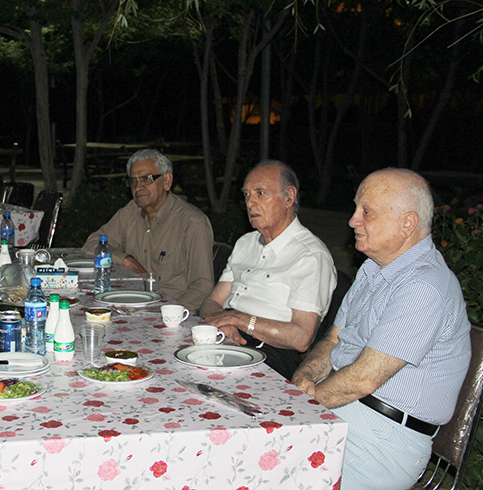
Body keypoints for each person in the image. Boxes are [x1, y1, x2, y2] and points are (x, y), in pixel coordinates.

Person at [292, 168, 471, 490]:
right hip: (345, 410)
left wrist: (300, 404)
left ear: (407, 224)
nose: (352, 221)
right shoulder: (372, 271)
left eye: (367, 212)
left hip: (384, 441)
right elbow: (334, 339)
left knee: (263, 463)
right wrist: (304, 377)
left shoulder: (424, 287)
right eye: (356, 208)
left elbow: (363, 378)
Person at [200, 161, 336, 379]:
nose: (250, 203)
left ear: (289, 197)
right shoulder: (245, 243)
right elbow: (212, 301)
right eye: (246, 195)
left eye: (260, 193)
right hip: (226, 336)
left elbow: (301, 338)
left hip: (271, 354)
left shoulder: (310, 256)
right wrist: (221, 322)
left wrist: (237, 319)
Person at [81, 149, 214, 312]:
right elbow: (91, 246)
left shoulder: (192, 223)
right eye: (133, 181)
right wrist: (126, 260)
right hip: (130, 303)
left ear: (167, 181)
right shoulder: (131, 212)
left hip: (171, 309)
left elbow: (203, 286)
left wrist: (169, 312)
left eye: (146, 179)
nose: (139, 187)